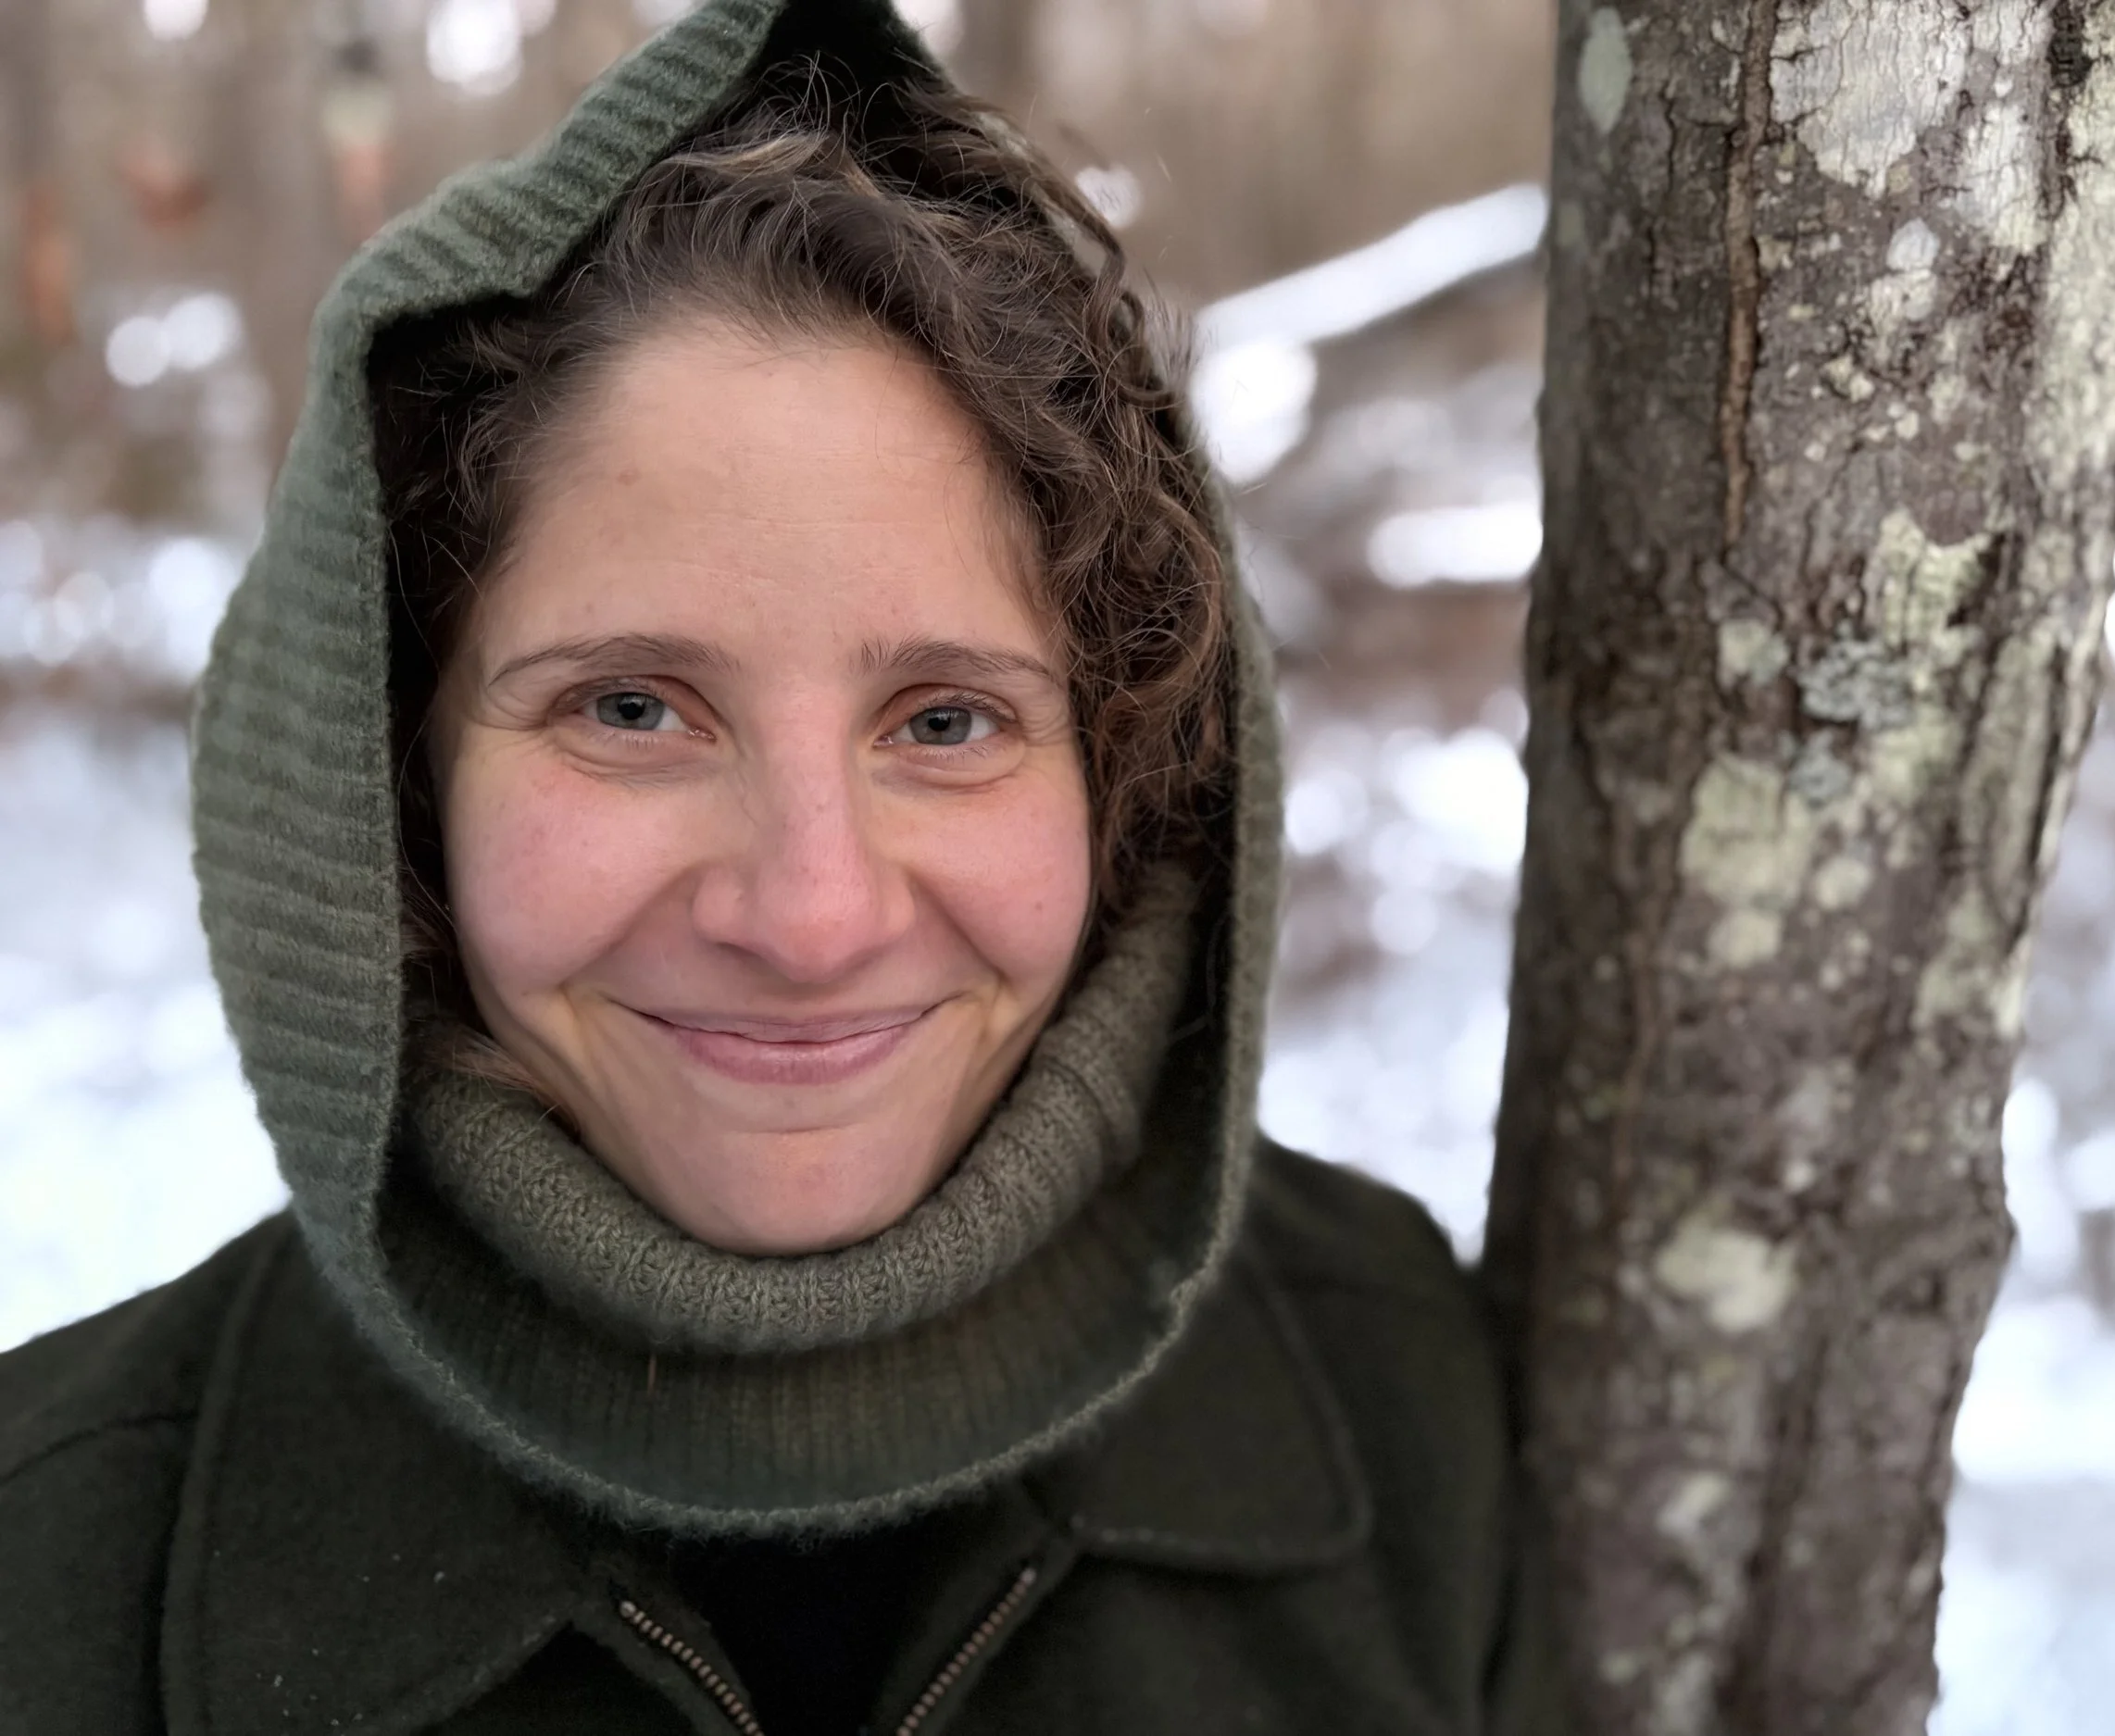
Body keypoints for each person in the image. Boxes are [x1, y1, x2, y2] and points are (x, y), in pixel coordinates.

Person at [0, 1, 1541, 1729]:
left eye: (947, 722)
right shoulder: (54, 1553)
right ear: (396, 769)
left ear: (1126, 778)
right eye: (635, 708)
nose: (811, 916)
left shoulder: (1421, 1411)